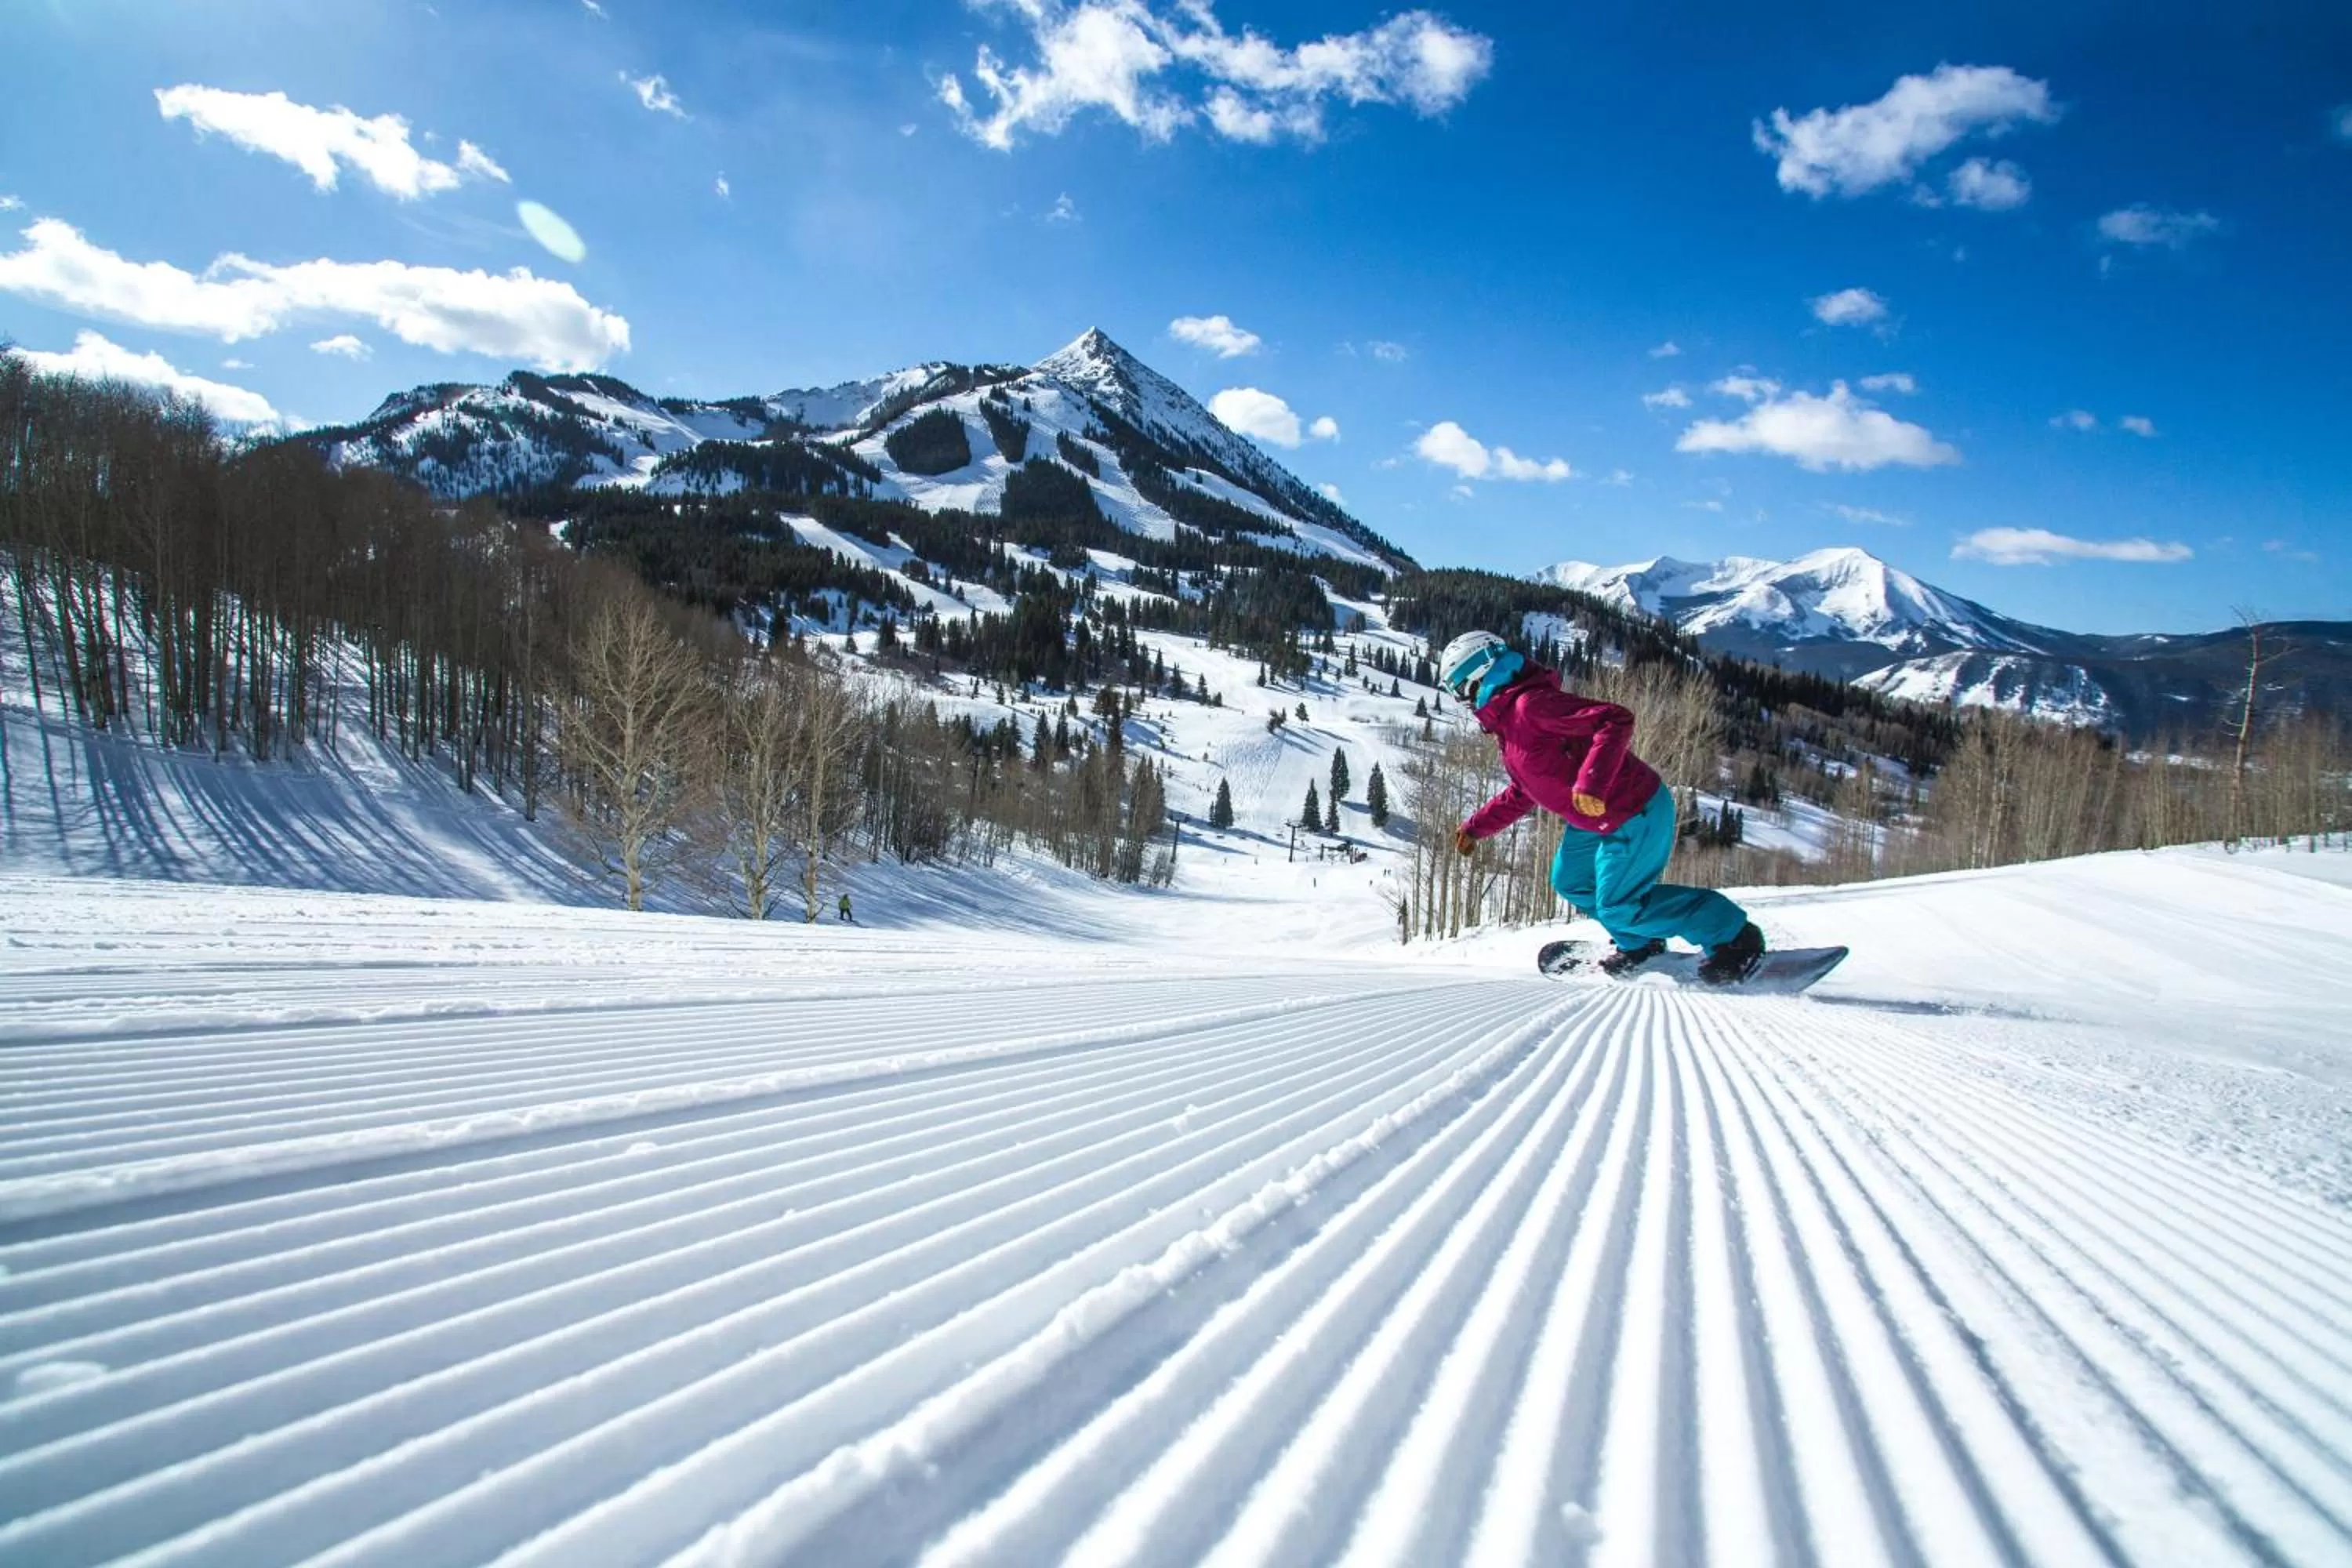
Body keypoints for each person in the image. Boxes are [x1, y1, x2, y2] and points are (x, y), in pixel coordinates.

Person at [1440, 630, 1764, 983]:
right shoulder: (1510, 727)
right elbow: (1525, 790)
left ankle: (1734, 938)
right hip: (1592, 820)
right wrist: (1475, 826)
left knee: (1618, 905)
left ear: (1477, 675)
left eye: (1458, 689)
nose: (1461, 701)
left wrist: (1591, 783)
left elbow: (1614, 719)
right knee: (1571, 881)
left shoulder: (1529, 706)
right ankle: (1640, 943)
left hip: (1633, 811)